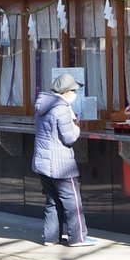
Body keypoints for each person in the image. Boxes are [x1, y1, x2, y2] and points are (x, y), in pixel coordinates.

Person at [33, 73, 97, 247]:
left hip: (43, 162)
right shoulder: (62, 109)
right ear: (67, 91)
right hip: (61, 164)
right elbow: (69, 138)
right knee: (72, 200)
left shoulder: (42, 106)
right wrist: (76, 126)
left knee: (52, 200)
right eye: (74, 90)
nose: (76, 94)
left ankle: (51, 237)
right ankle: (78, 238)